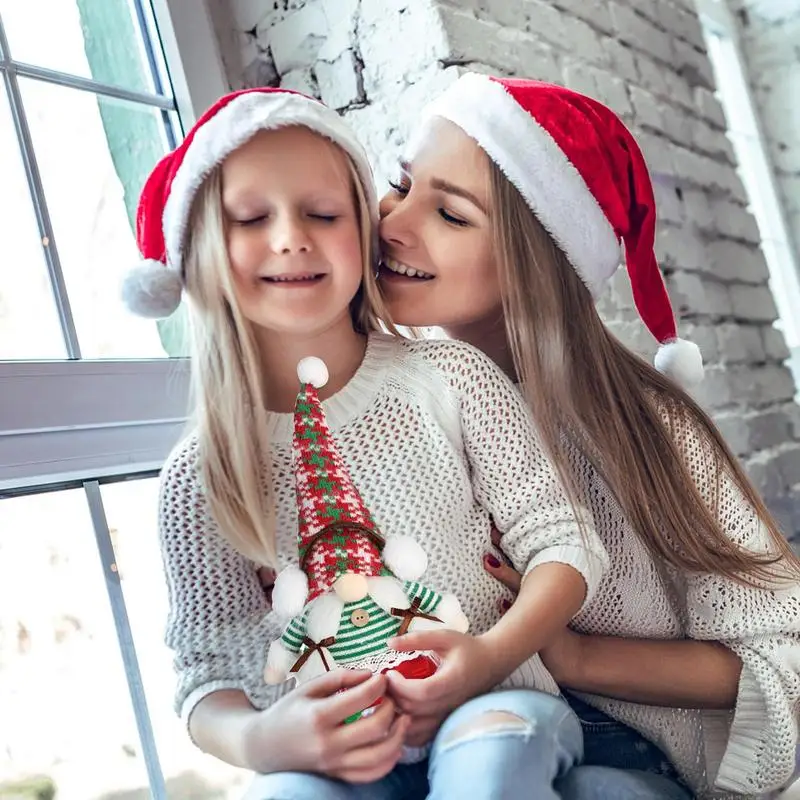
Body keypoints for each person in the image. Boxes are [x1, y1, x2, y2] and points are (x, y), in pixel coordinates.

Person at [121, 86, 611, 799]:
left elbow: (564, 542)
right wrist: (261, 740)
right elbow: (206, 679)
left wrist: (486, 656)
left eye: (323, 213)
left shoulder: (450, 377)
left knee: (493, 764)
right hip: (337, 765)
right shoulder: (200, 477)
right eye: (252, 217)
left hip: (498, 707)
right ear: (199, 254)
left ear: (366, 231)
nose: (292, 237)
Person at [377, 72, 800, 798]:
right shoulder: (389, 412)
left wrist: (571, 654)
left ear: (537, 259)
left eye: (449, 214)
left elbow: (781, 651)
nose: (392, 221)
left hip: (631, 754)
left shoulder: (643, 431)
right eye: (402, 183)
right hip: (451, 739)